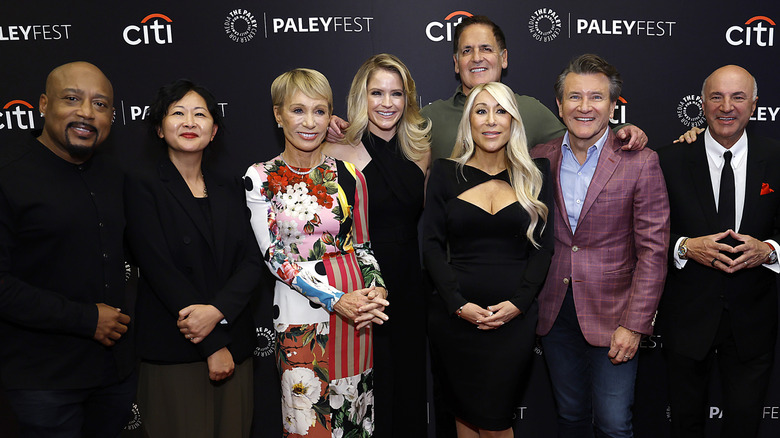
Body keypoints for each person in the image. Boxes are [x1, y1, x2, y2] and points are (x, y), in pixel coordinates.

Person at [244, 68, 390, 437]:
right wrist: (336, 299)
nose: (310, 122)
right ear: (278, 115)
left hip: (356, 314)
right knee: (308, 425)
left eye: (320, 111)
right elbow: (276, 258)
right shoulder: (261, 177)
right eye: (298, 110)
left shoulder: (349, 175)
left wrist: (378, 289)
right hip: (299, 316)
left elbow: (363, 245)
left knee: (354, 423)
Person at [530, 54, 669, 437]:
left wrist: (635, 323)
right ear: (559, 105)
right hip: (555, 314)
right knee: (570, 417)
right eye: (574, 97)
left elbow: (654, 251)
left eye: (596, 97)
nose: (585, 107)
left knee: (612, 422)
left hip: (616, 316)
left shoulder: (641, 162)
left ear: (613, 106)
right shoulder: (539, 157)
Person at [0, 61, 135, 437]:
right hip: (43, 381)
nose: (86, 113)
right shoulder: (8, 176)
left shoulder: (115, 176)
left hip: (114, 376)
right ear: (43, 104)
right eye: (72, 99)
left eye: (101, 104)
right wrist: (84, 319)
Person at [124, 79, 262, 437]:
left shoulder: (228, 184)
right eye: (178, 113)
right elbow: (158, 268)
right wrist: (212, 343)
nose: (189, 122)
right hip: (176, 348)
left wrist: (216, 314)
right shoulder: (141, 184)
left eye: (200, 114)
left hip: (236, 345)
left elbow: (251, 260)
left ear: (214, 131)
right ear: (158, 126)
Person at [423, 81, 554, 437]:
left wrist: (519, 303)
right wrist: (457, 304)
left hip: (513, 322)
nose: (491, 121)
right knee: (464, 418)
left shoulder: (536, 175)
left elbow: (544, 249)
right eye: (481, 111)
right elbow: (431, 246)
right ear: (469, 121)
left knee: (497, 422)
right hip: (456, 321)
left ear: (514, 122)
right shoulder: (445, 174)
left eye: (501, 111)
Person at [328, 15, 648, 161]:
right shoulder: (429, 117)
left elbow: (582, 137)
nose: (477, 58)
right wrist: (339, 129)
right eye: (467, 51)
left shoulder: (532, 112)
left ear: (503, 58)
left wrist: (624, 129)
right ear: (456, 63)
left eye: (486, 49)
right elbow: (378, 138)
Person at [656, 65, 780, 438]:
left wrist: (770, 250)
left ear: (755, 105)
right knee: (684, 425)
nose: (727, 106)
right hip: (686, 319)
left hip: (753, 321)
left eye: (738, 97)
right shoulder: (669, 160)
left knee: (744, 426)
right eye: (717, 97)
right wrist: (684, 246)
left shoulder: (777, 158)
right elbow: (643, 234)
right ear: (703, 103)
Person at [322, 53, 431, 436]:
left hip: (406, 279)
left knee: (407, 380)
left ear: (408, 99)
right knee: (364, 382)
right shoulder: (335, 150)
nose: (387, 103)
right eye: (377, 93)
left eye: (396, 94)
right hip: (359, 283)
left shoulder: (421, 149)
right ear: (361, 97)